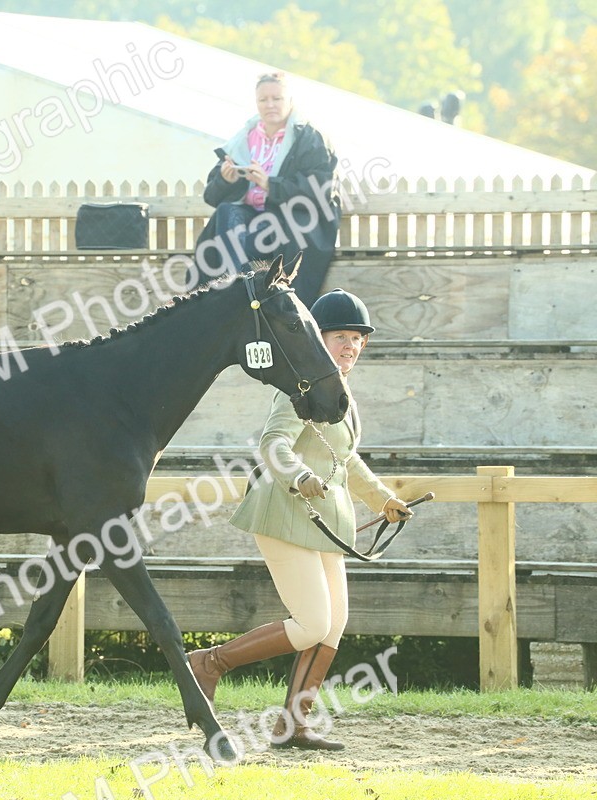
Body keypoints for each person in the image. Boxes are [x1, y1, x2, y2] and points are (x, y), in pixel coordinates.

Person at [186, 288, 412, 751]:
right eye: (341, 337)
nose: (351, 346)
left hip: (325, 520)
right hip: (285, 512)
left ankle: (293, 725)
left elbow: (347, 461)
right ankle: (210, 663)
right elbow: (274, 445)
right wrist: (299, 474)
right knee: (311, 622)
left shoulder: (341, 394)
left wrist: (384, 499)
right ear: (317, 338)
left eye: (357, 339)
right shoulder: (299, 388)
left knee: (332, 625)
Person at [192, 73, 340, 307]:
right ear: (256, 102)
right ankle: (239, 290)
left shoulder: (310, 138)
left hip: (290, 225)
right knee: (225, 212)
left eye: (277, 98)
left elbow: (321, 191)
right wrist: (225, 180)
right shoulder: (243, 139)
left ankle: (246, 295)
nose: (270, 105)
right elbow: (211, 196)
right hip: (252, 226)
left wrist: (271, 185)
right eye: (263, 100)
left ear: (290, 100)